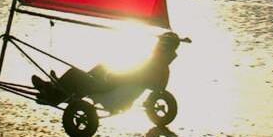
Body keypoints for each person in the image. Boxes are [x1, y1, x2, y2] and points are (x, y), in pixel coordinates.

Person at [30, 31, 183, 112]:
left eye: (159, 43)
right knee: (102, 66)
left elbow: (132, 76)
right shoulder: (160, 64)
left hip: (111, 89)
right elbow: (157, 86)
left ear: (163, 47)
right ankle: (58, 87)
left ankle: (54, 94)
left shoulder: (154, 64)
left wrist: (112, 76)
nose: (156, 45)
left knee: (74, 74)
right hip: (116, 86)